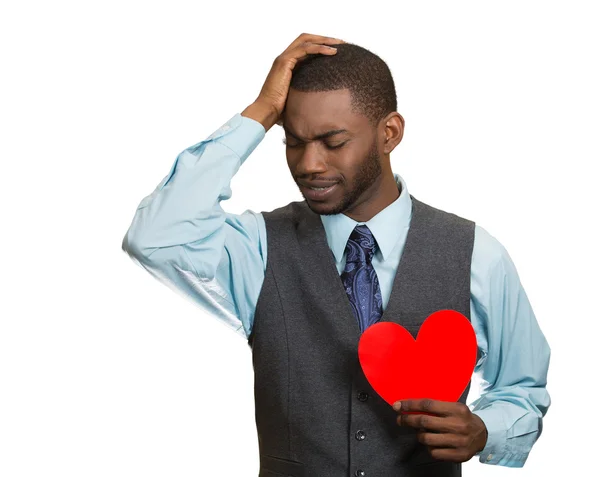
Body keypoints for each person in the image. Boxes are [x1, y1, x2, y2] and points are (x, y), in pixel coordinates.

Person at [122, 33, 551, 476]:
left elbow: (522, 390)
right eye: (293, 141)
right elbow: (154, 236)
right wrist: (261, 112)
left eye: (332, 141)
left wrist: (483, 429)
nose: (308, 164)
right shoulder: (257, 247)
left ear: (390, 133)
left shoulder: (477, 254)